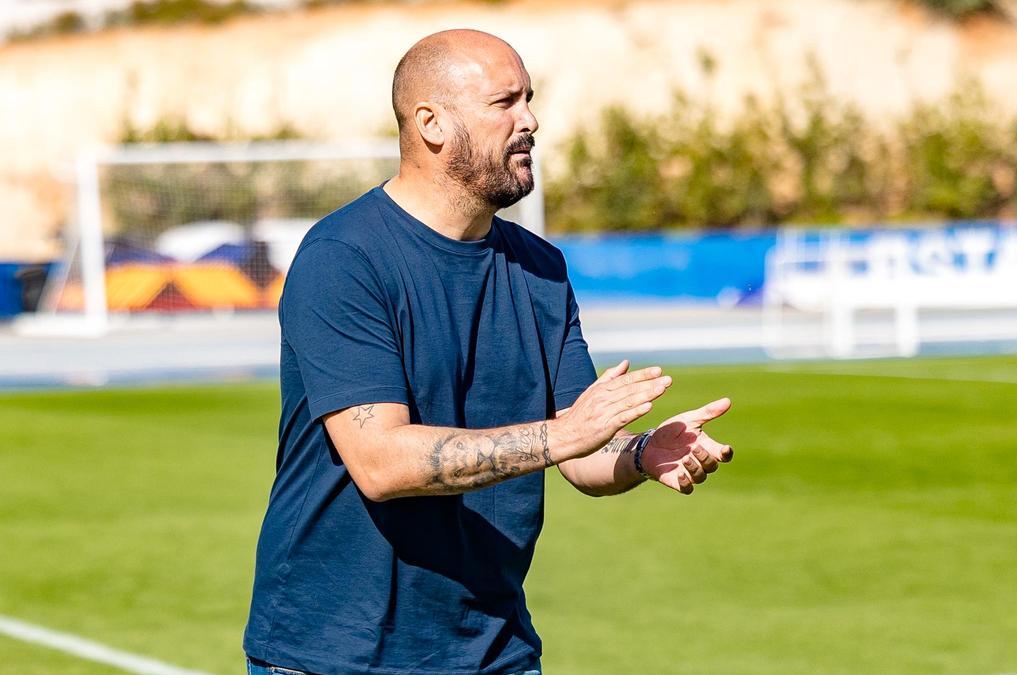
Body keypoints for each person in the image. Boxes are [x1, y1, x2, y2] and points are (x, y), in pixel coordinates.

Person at [243, 28, 734, 675]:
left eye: (529, 99)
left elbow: (580, 453)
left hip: (494, 651)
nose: (530, 120)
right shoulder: (344, 258)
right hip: (336, 654)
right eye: (505, 102)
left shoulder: (540, 268)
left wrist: (640, 452)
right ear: (432, 123)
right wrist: (562, 436)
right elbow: (381, 461)